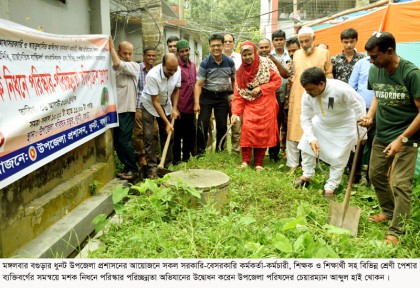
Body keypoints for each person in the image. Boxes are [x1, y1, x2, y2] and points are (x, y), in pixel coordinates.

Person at [359, 32, 420, 245]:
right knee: (375, 175)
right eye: (370, 57)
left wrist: (401, 139)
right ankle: (388, 210)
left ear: (390, 51)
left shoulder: (411, 73)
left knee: (401, 184)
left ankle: (397, 230)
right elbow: (377, 94)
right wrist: (370, 116)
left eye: (375, 57)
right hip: (383, 134)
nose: (372, 62)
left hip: (407, 138)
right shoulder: (376, 71)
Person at [294, 67, 366, 198]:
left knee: (339, 157)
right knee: (305, 144)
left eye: (311, 89)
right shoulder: (307, 95)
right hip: (321, 123)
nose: (308, 92)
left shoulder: (341, 89)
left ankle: (330, 187)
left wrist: (362, 132)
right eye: (306, 89)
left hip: (344, 126)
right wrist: (311, 139)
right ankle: (307, 175)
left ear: (321, 84)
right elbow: (305, 117)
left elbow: (359, 106)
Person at [287, 26, 333, 175]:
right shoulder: (296, 55)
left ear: (314, 39)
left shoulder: (324, 53)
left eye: (307, 40)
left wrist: (329, 100)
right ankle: (293, 164)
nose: (305, 44)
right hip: (299, 95)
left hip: (319, 98)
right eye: (302, 42)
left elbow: (329, 76)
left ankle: (313, 165)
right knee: (294, 130)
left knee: (315, 130)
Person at [231, 41, 281, 171]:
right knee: (247, 130)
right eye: (244, 55)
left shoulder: (266, 64)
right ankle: (245, 161)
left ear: (255, 52)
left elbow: (277, 81)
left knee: (263, 134)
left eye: (250, 54)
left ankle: (259, 163)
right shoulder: (240, 72)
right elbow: (238, 95)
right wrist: (235, 113)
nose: (247, 57)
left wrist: (261, 88)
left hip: (266, 104)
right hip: (250, 105)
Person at [141, 53, 181, 179]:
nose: (173, 73)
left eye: (174, 70)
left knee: (169, 134)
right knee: (148, 136)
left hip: (166, 104)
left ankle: (166, 165)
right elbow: (155, 102)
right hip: (149, 104)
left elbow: (176, 90)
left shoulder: (177, 70)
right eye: (169, 70)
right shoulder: (153, 75)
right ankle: (152, 168)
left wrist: (174, 108)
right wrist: (167, 123)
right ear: (162, 65)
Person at [195, 33, 236, 155]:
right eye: (213, 46)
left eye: (218, 45)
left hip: (222, 96)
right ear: (209, 47)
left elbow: (234, 79)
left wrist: (234, 95)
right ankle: (200, 153)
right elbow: (198, 84)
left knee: (222, 125)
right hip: (206, 96)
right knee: (202, 124)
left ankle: (220, 150)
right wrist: (197, 103)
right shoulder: (205, 63)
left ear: (223, 46)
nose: (216, 48)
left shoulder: (229, 62)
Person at [109, 37, 140, 180]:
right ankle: (127, 168)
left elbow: (117, 63)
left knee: (124, 141)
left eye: (130, 53)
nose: (127, 57)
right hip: (114, 111)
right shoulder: (112, 67)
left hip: (127, 109)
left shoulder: (134, 66)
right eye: (124, 53)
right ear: (118, 52)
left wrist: (110, 47)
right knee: (117, 142)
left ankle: (133, 169)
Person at [348, 56, 376, 186]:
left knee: (375, 143)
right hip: (361, 109)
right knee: (358, 142)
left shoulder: (385, 65)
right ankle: (355, 175)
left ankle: (372, 178)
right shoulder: (361, 63)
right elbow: (351, 86)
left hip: (379, 111)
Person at [172, 40, 197, 164]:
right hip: (180, 107)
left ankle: (186, 158)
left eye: (186, 50)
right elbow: (173, 89)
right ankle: (176, 160)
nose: (185, 53)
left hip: (191, 106)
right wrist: (174, 108)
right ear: (178, 53)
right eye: (182, 51)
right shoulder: (175, 67)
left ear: (189, 50)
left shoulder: (193, 65)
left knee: (189, 134)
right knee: (177, 135)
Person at [134, 47, 157, 172]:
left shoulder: (155, 71)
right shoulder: (137, 69)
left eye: (153, 56)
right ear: (144, 56)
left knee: (154, 132)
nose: (151, 58)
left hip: (153, 106)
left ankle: (151, 155)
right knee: (139, 132)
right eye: (149, 55)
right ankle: (141, 156)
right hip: (139, 104)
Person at [269, 30, 291, 161]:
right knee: (275, 126)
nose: (278, 42)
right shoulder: (268, 56)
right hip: (274, 96)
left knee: (288, 126)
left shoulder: (291, 55)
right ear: (273, 42)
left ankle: (289, 153)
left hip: (289, 95)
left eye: (281, 39)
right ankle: (274, 153)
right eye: (276, 40)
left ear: (285, 40)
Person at [223, 33, 242, 155]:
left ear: (234, 43)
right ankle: (223, 150)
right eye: (225, 41)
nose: (228, 43)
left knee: (236, 124)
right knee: (221, 124)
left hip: (237, 94)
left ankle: (236, 150)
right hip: (221, 95)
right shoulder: (217, 58)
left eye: (230, 41)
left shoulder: (240, 58)